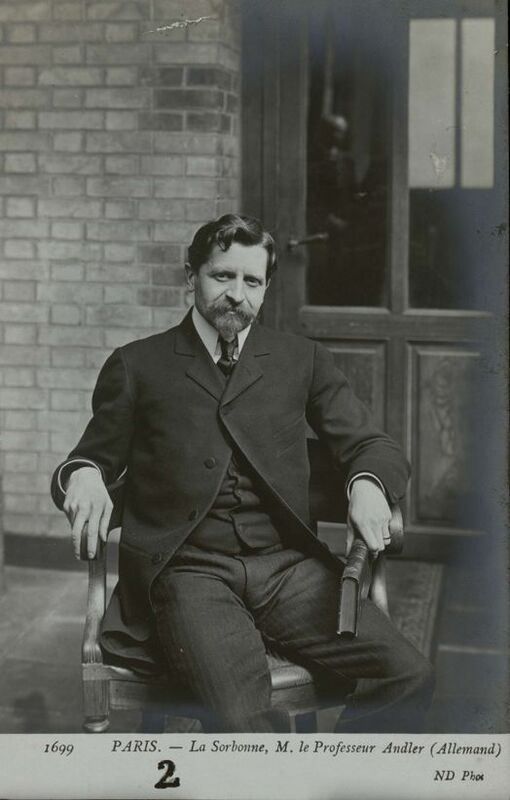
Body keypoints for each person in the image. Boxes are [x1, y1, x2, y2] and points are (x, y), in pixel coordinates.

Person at [51, 213, 433, 733]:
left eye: (251, 281)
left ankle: (330, 779)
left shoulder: (303, 361)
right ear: (192, 276)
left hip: (286, 568)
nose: (237, 294)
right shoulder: (138, 365)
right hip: (190, 573)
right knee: (245, 719)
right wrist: (85, 475)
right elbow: (85, 459)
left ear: (266, 287)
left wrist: (367, 482)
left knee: (408, 675)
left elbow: (372, 444)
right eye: (222, 276)